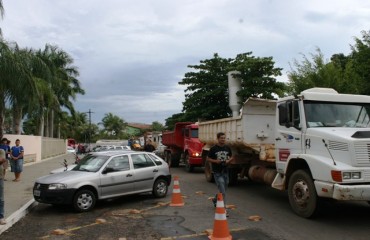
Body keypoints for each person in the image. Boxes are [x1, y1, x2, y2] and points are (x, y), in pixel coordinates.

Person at [207, 132, 233, 216]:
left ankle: (215, 199)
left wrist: (229, 160)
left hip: (225, 171)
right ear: (218, 138)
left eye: (224, 138)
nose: (223, 139)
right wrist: (216, 161)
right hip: (217, 172)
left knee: (224, 190)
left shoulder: (227, 148)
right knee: (223, 191)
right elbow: (208, 159)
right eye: (221, 138)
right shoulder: (213, 148)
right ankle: (223, 209)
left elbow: (231, 156)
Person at [0, 149, 7, 224]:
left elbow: (1, 161)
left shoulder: (1, 151)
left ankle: (1, 217)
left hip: (0, 177)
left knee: (1, 198)